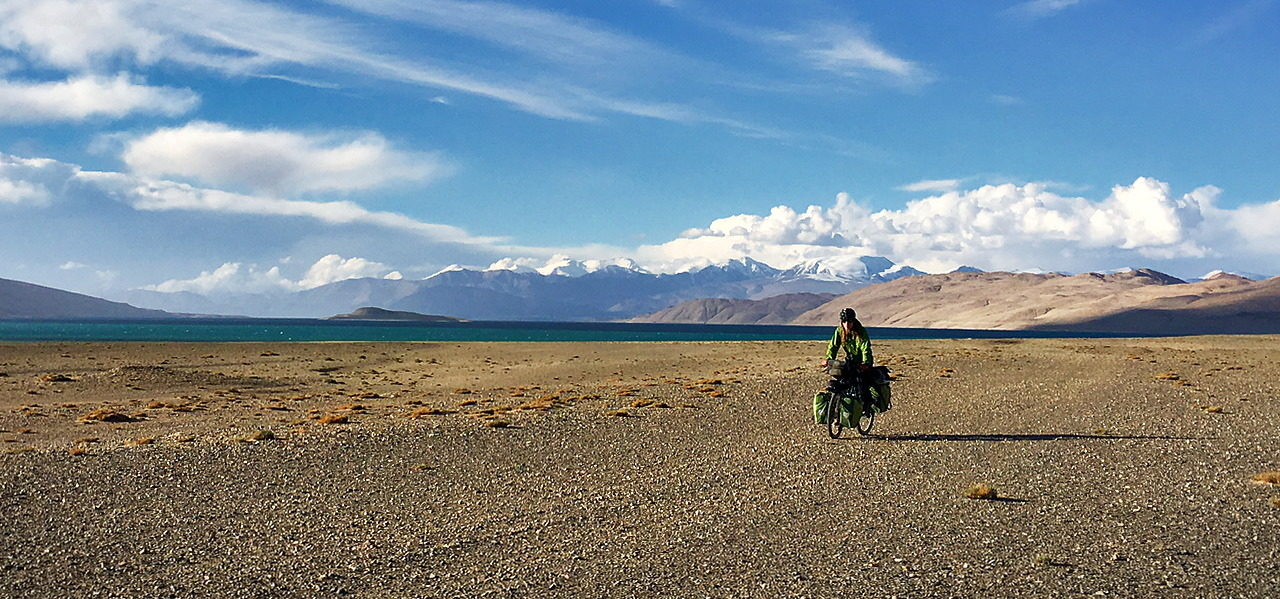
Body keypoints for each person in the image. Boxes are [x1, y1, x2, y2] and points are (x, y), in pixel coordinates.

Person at [820, 307, 872, 398]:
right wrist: (829, 359)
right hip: (850, 362)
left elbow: (865, 348)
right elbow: (833, 346)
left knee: (861, 385)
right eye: (844, 322)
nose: (847, 324)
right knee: (843, 380)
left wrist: (866, 362)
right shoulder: (839, 331)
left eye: (850, 321)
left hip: (862, 363)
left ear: (854, 321)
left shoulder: (861, 332)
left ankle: (866, 405)